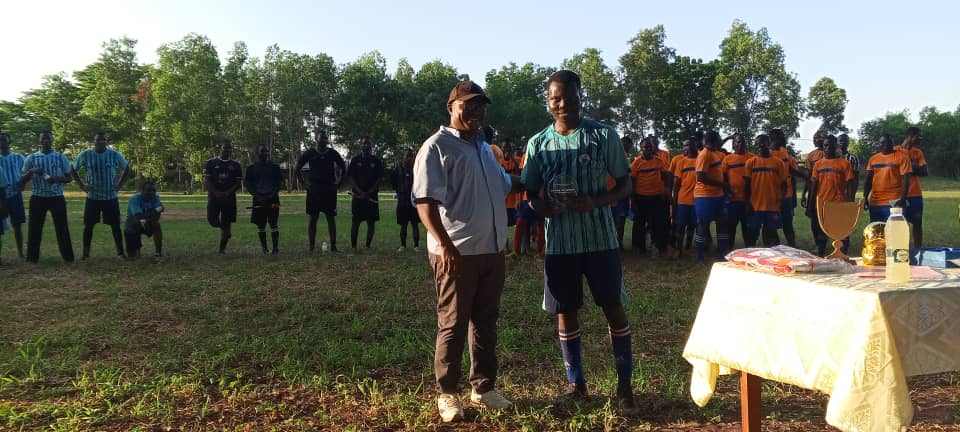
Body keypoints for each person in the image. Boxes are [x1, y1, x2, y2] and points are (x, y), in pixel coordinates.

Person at [522, 70, 638, 415]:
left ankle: (625, 387)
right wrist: (543, 207)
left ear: (579, 97)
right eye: (556, 98)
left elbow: (625, 184)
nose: (563, 104)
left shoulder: (602, 136)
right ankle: (576, 384)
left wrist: (596, 201)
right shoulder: (538, 144)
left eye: (569, 97)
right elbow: (530, 194)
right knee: (565, 311)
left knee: (613, 307)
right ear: (548, 101)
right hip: (560, 244)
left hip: (600, 239)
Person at [413, 80, 516, 422]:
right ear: (452, 107)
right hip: (456, 253)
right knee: (453, 323)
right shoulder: (437, 147)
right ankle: (447, 393)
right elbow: (425, 204)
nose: (476, 111)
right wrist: (445, 246)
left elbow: (504, 187)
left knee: (485, 321)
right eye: (468, 105)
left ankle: (483, 387)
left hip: (491, 251)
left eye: (480, 105)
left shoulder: (484, 148)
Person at [72, 132, 130, 259]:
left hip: (110, 197)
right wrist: (82, 186)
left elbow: (127, 168)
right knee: (88, 226)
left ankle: (120, 253)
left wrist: (119, 185)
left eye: (103, 140)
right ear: (94, 141)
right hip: (93, 198)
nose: (100, 142)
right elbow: (72, 169)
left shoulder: (114, 154)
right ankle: (85, 254)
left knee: (115, 226)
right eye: (98, 140)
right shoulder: (86, 154)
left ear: (106, 142)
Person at [20, 131, 75, 263]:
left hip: (57, 197)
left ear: (52, 140)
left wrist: (55, 178)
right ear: (39, 141)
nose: (45, 140)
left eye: (48, 138)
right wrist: (32, 171)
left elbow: (69, 178)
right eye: (43, 138)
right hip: (37, 198)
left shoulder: (60, 157)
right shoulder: (32, 158)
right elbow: (22, 179)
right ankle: (32, 258)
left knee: (62, 228)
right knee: (34, 228)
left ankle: (68, 258)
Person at [296, 129, 345, 253]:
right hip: (314, 190)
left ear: (327, 140)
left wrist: (338, 183)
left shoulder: (332, 153)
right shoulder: (310, 153)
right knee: (313, 218)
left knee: (331, 218)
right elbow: (297, 168)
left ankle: (333, 246)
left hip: (329, 189)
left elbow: (343, 167)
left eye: (325, 138)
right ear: (316, 139)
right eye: (321, 138)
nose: (323, 140)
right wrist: (304, 184)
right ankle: (311, 247)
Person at [806, 135, 855, 256]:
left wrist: (849, 203)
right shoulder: (818, 164)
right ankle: (820, 255)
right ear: (823, 147)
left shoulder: (845, 164)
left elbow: (850, 184)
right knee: (820, 233)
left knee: (841, 232)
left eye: (831, 146)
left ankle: (843, 256)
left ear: (836, 147)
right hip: (821, 204)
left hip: (839, 204)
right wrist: (810, 205)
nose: (828, 148)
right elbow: (813, 186)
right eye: (826, 145)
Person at [743, 134, 787, 247]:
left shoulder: (778, 163)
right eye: (759, 143)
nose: (762, 145)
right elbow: (746, 185)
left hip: (772, 206)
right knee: (752, 236)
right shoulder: (750, 162)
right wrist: (747, 203)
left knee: (771, 237)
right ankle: (751, 255)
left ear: (769, 144)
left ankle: (772, 256)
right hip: (755, 206)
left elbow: (784, 184)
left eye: (764, 142)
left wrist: (781, 201)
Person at [630, 137, 671, 256]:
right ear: (641, 148)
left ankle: (657, 246)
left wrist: (666, 189)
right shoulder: (636, 162)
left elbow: (665, 176)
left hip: (656, 197)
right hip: (641, 198)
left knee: (658, 223)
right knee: (639, 224)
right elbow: (632, 181)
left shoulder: (659, 161)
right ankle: (639, 248)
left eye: (649, 147)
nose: (648, 149)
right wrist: (632, 199)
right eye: (645, 147)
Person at [694, 131, 729, 262]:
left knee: (722, 223)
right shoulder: (704, 155)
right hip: (705, 196)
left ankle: (722, 253)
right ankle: (699, 256)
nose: (721, 142)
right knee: (703, 225)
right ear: (713, 141)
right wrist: (723, 184)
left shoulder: (714, 153)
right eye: (719, 139)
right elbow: (701, 177)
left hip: (718, 196)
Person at [204, 138, 243, 254]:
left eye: (229, 148)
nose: (227, 150)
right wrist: (215, 192)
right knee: (211, 220)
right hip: (214, 197)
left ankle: (222, 250)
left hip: (229, 198)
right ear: (220, 149)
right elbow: (207, 180)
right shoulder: (211, 163)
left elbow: (238, 183)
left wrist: (228, 192)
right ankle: (224, 228)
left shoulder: (236, 165)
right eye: (225, 148)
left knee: (227, 222)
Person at [863, 134, 912, 223]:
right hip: (875, 202)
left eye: (887, 142)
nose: (884, 145)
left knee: (895, 230)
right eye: (882, 143)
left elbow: (906, 180)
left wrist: (903, 199)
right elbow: (868, 180)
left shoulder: (902, 157)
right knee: (877, 229)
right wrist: (865, 197)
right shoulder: (873, 159)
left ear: (892, 143)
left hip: (894, 202)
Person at [244, 144, 283, 255]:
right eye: (262, 151)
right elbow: (248, 185)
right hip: (258, 200)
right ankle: (264, 249)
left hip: (273, 200)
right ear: (257, 153)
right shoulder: (251, 168)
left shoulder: (275, 167)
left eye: (266, 151)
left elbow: (279, 183)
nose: (264, 153)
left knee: (274, 223)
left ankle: (275, 249)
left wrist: (272, 194)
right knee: (261, 225)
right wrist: (257, 196)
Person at [346, 137, 384, 251]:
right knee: (355, 222)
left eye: (368, 144)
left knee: (371, 222)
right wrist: (360, 192)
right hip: (358, 196)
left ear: (371, 147)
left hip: (371, 196)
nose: (366, 146)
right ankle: (353, 246)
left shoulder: (376, 161)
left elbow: (379, 178)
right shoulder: (355, 160)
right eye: (364, 144)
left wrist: (370, 192)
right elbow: (350, 177)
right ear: (361, 146)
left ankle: (368, 246)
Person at [769, 129, 803, 247]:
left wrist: (805, 177)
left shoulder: (785, 153)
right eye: (779, 137)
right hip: (771, 195)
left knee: (787, 223)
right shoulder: (767, 153)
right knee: (771, 224)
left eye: (782, 137)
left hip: (786, 195)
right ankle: (775, 247)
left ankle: (792, 246)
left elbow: (792, 171)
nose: (781, 139)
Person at [896, 127, 927, 248]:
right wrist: (913, 167)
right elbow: (895, 170)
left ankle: (918, 250)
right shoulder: (896, 151)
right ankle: (901, 248)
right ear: (910, 136)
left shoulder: (918, 152)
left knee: (917, 222)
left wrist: (908, 168)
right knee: (899, 224)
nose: (920, 139)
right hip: (898, 194)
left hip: (915, 194)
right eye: (918, 136)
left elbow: (924, 172)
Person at [722, 134, 753, 248]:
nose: (740, 144)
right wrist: (727, 192)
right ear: (733, 144)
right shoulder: (727, 159)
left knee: (748, 229)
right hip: (732, 201)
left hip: (749, 201)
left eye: (742, 142)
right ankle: (729, 250)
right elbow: (723, 178)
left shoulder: (752, 158)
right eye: (738, 142)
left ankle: (749, 252)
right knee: (730, 228)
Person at [670, 138, 698, 257]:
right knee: (680, 226)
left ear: (695, 146)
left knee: (693, 225)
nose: (686, 148)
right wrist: (674, 201)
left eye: (689, 145)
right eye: (684, 146)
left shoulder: (700, 160)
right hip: (683, 200)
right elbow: (676, 184)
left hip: (697, 200)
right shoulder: (681, 162)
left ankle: (688, 246)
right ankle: (679, 249)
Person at [0, 133, 26, 259]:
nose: (2, 142)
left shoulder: (18, 157)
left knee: (17, 225)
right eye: (0, 140)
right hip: (1, 197)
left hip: (15, 195)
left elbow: (26, 172)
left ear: (9, 142)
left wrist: (23, 183)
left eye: (4, 140)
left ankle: (21, 253)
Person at [124, 180, 164, 258]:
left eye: (154, 190)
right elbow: (138, 217)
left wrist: (148, 217)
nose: (151, 193)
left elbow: (157, 217)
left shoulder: (156, 198)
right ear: (142, 190)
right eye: (148, 190)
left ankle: (158, 253)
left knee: (156, 224)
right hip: (133, 224)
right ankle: (136, 250)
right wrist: (155, 210)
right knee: (132, 257)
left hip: (148, 222)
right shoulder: (134, 199)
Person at [391, 148, 419, 252]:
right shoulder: (398, 169)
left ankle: (416, 246)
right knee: (403, 225)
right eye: (407, 156)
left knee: (415, 224)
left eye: (411, 156)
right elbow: (393, 182)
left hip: (414, 201)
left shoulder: (417, 168)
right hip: (402, 201)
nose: (409, 158)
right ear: (404, 157)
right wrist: (399, 192)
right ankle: (403, 245)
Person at [612, 136, 634, 249]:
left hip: (623, 194)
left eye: (629, 146)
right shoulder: (613, 156)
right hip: (615, 193)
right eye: (626, 145)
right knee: (616, 219)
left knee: (621, 219)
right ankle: (614, 243)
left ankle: (618, 242)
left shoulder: (626, 158)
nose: (628, 147)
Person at [801, 130, 826, 212]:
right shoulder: (811, 155)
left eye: (817, 138)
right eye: (814, 138)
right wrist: (804, 194)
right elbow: (808, 176)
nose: (814, 140)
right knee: (814, 214)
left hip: (829, 190)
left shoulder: (833, 154)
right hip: (814, 190)